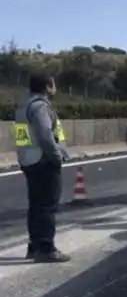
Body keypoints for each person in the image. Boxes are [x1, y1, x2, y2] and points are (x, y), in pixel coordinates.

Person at [15, 73, 70, 262]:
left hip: (28, 160)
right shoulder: (40, 107)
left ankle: (34, 246)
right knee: (47, 205)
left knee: (36, 206)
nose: (55, 88)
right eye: (53, 85)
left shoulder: (24, 106)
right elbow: (45, 134)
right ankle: (46, 248)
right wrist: (56, 156)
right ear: (47, 86)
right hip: (42, 160)